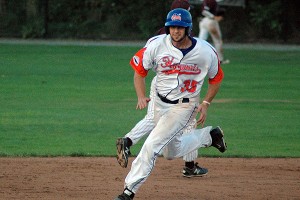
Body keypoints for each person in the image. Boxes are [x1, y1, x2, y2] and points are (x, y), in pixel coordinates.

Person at [115, 8, 227, 200]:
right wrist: (141, 96)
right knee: (170, 152)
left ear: (188, 28)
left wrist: (206, 103)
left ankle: (128, 191)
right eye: (173, 27)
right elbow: (139, 71)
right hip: (159, 102)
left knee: (151, 145)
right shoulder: (156, 45)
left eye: (180, 27)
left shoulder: (205, 51)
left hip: (184, 107)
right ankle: (209, 136)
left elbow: (216, 79)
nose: (176, 31)